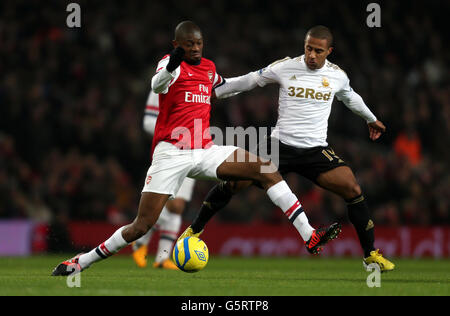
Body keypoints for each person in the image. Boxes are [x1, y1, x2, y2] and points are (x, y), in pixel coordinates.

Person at [51, 21, 340, 277]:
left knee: (265, 168)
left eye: (199, 43)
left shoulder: (208, 67)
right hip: (171, 154)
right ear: (177, 45)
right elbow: (157, 83)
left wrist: (263, 75)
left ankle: (310, 235)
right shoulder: (169, 65)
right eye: (189, 44)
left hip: (204, 150)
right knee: (142, 225)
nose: (196, 48)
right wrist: (173, 63)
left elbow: (225, 86)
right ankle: (81, 261)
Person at [179, 25, 394, 272]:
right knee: (234, 183)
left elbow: (350, 97)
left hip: (315, 150)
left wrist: (370, 118)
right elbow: (250, 80)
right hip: (278, 145)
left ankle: (370, 256)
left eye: (318, 51)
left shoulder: (337, 76)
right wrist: (213, 92)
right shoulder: (285, 66)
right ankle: (194, 229)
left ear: (329, 51)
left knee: (353, 188)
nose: (312, 55)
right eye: (308, 48)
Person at [130, 90, 196, 270]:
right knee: (172, 205)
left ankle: (161, 258)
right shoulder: (161, 84)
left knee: (177, 207)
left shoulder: (199, 81)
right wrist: (178, 132)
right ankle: (141, 241)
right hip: (170, 149)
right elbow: (148, 122)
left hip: (195, 148)